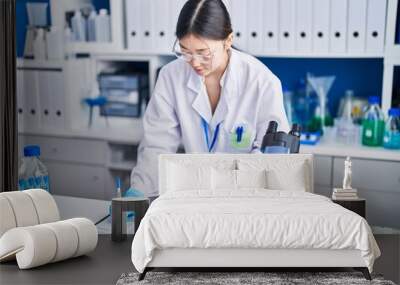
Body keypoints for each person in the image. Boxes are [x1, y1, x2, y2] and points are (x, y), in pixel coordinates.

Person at [130, 0, 289, 199]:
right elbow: (157, 145)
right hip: (195, 196)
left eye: (203, 53)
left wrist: (232, 189)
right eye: (185, 51)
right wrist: (139, 192)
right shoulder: (171, 76)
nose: (194, 62)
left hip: (245, 198)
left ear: (228, 40)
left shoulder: (262, 82)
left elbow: (270, 157)